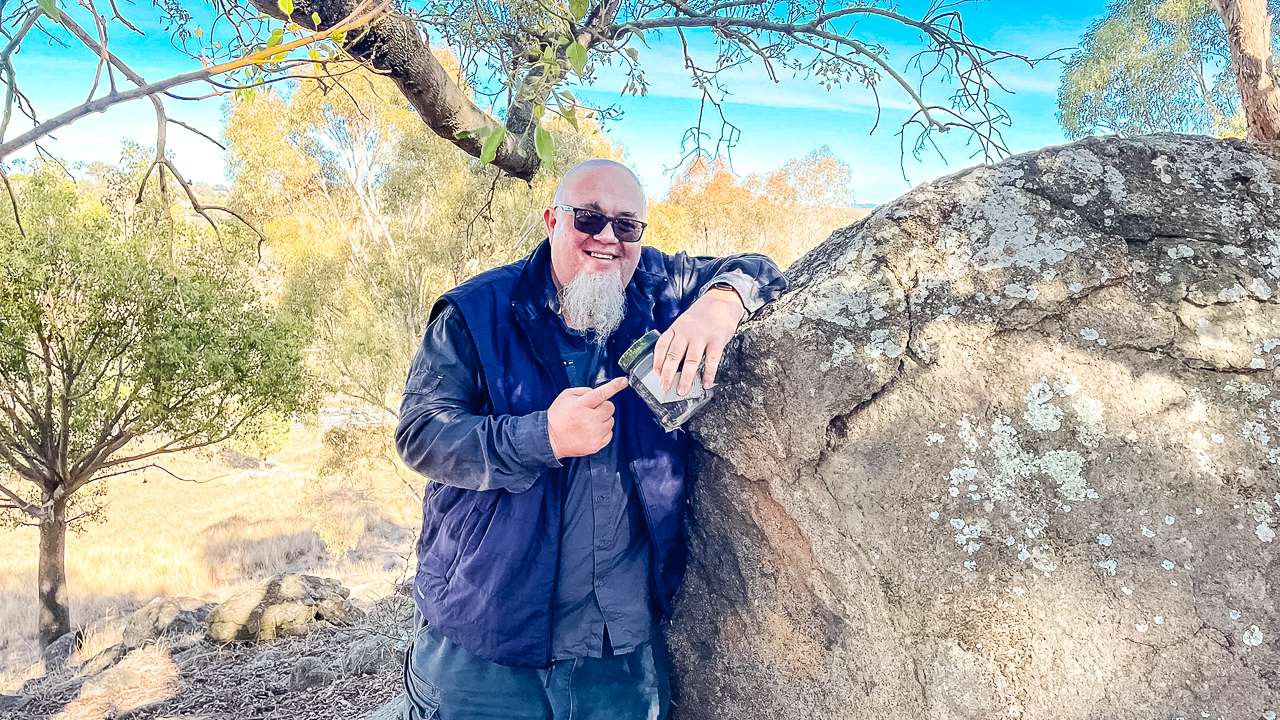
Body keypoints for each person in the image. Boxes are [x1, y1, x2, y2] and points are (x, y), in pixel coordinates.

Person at [394, 158, 787, 719]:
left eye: (627, 226)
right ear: (553, 219)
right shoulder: (475, 313)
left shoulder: (660, 288)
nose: (607, 238)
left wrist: (721, 305)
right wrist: (541, 437)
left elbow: (758, 268)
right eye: (588, 219)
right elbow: (421, 435)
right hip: (485, 641)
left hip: (617, 650)